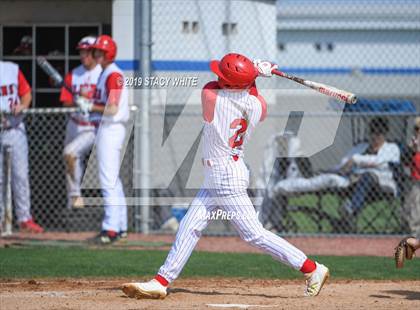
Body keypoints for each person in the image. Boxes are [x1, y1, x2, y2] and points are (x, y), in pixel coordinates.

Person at [121, 53, 329, 299]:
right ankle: (161, 280)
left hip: (224, 177)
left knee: (253, 234)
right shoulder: (256, 105)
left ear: (229, 83)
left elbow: (212, 86)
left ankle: (312, 268)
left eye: (222, 76)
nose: (216, 78)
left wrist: (253, 73)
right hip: (223, 173)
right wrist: (255, 75)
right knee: (190, 226)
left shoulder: (213, 98)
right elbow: (252, 95)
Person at [268, 117, 400, 222]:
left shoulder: (392, 148)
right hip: (352, 181)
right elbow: (344, 162)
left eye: (378, 133)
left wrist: (356, 160)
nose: (375, 136)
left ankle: (351, 209)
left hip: (379, 183)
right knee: (329, 177)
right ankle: (289, 185)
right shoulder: (361, 147)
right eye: (373, 132)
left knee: (368, 175)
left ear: (384, 134)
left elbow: (380, 162)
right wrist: (333, 170)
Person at [82, 35, 129, 244]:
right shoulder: (105, 73)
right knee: (113, 180)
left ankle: (110, 229)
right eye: (95, 51)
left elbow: (112, 109)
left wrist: (90, 107)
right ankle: (120, 226)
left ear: (108, 53)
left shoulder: (113, 74)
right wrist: (87, 103)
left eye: (100, 51)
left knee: (107, 180)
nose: (96, 54)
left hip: (111, 129)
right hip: (107, 129)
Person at [0, 60, 43, 233]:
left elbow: (26, 93)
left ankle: (24, 218)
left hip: (15, 128)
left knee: (20, 175)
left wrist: (23, 105)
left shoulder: (11, 69)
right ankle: (1, 219)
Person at [60, 36, 102, 209]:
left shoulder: (102, 73)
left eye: (87, 52)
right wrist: (77, 101)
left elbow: (111, 102)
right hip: (74, 123)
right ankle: (73, 202)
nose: (83, 55)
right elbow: (65, 100)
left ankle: (76, 195)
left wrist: (90, 102)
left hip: (92, 127)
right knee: (70, 160)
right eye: (81, 52)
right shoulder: (74, 73)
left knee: (70, 152)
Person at [403, 117, 420, 239]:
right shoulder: (413, 143)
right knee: (414, 206)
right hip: (416, 179)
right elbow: (405, 162)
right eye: (416, 129)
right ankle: (415, 233)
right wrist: (413, 150)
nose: (417, 132)